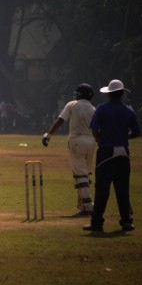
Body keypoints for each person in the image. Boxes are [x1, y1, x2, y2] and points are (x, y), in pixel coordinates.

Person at [83, 79, 140, 232]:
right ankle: (127, 221)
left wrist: (102, 140)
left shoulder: (101, 109)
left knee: (102, 188)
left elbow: (95, 130)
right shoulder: (129, 110)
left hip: (106, 151)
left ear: (109, 94)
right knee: (123, 189)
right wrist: (123, 136)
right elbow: (136, 132)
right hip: (123, 151)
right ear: (122, 94)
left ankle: (97, 223)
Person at [42, 83, 96, 215]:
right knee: (85, 173)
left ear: (78, 94)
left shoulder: (72, 104)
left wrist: (48, 135)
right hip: (92, 141)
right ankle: (83, 205)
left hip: (76, 141)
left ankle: (88, 205)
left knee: (80, 174)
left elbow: (61, 120)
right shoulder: (93, 109)